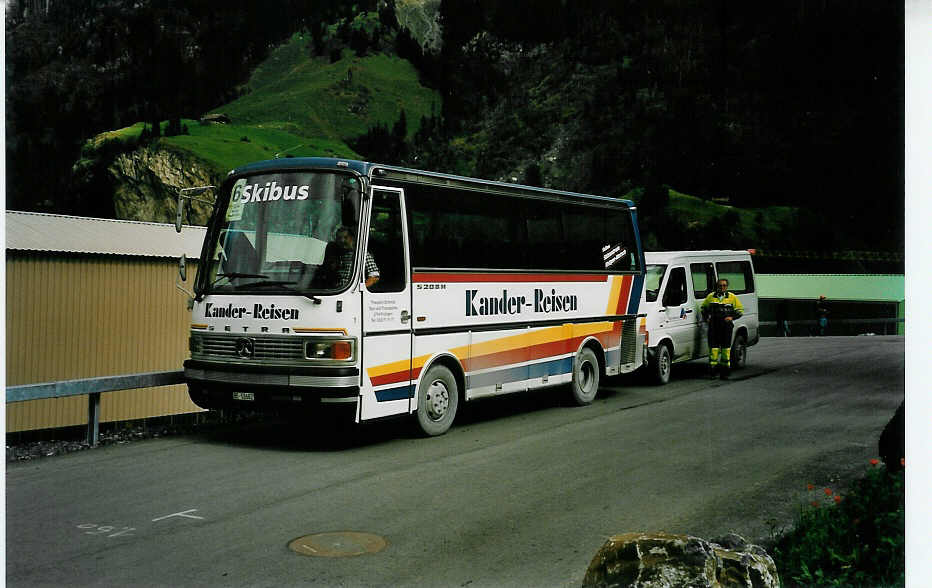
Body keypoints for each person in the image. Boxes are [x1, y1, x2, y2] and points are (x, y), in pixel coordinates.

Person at [700, 278, 744, 379]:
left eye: (724, 285)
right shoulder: (711, 297)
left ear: (727, 287)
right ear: (717, 286)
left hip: (726, 326)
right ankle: (713, 371)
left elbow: (740, 311)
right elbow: (703, 308)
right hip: (714, 325)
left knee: (726, 349)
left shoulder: (732, 297)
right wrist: (706, 317)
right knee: (713, 349)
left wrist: (732, 317)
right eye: (720, 285)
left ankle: (725, 372)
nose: (722, 287)